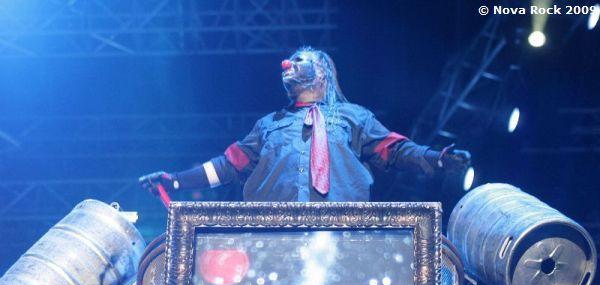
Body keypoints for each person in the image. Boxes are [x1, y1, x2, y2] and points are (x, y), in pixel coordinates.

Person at [139, 46, 470, 202]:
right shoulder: (268, 125)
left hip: (341, 232)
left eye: (300, 60)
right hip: (273, 233)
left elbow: (395, 150)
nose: (289, 64)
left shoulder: (354, 117)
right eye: (291, 60)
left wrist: (437, 159)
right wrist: (177, 181)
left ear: (321, 71)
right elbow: (227, 165)